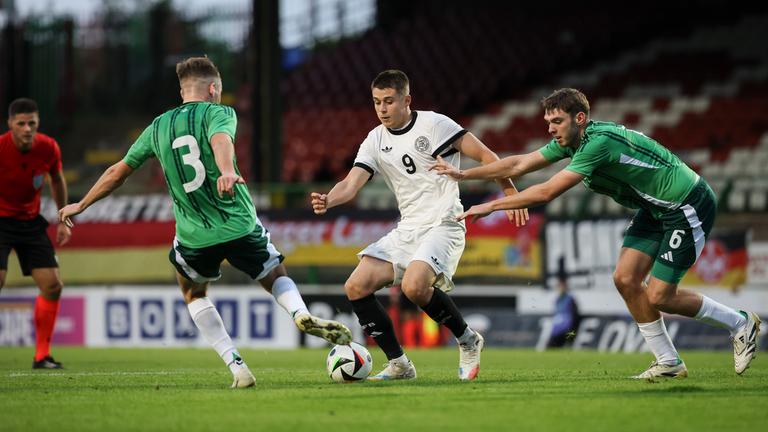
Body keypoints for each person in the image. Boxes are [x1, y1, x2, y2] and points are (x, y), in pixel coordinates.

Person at [58, 56, 352, 388]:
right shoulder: (220, 112)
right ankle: (299, 313)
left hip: (193, 235)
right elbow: (220, 140)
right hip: (238, 223)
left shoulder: (157, 126)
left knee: (193, 291)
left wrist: (81, 204)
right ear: (213, 89)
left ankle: (236, 365)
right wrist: (227, 171)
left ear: (183, 89)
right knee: (273, 274)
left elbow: (117, 172)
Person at [430, 88, 761, 380]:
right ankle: (668, 361)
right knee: (625, 279)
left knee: (660, 295)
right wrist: (463, 174)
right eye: (548, 122)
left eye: (556, 121)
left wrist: (491, 207)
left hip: (686, 204)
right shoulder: (574, 141)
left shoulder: (597, 143)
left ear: (580, 118)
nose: (550, 129)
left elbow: (546, 192)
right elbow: (517, 165)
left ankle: (740, 323)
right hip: (655, 209)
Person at [310, 70, 528, 381]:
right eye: (376, 103)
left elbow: (485, 155)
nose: (382, 109)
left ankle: (468, 339)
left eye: (388, 101)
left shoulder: (435, 124)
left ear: (407, 100)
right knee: (356, 286)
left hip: (444, 223)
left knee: (414, 286)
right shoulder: (375, 139)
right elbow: (352, 183)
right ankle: (399, 364)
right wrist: (329, 200)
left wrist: (509, 191)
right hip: (408, 228)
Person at [0, 98, 71, 369]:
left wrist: (64, 218)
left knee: (53, 285)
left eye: (32, 123)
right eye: (21, 124)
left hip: (30, 222)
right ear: (10, 125)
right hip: (1, 221)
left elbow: (57, 178)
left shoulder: (48, 147)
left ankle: (42, 355)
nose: (27, 128)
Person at [547, 257, 580, 348]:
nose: (560, 287)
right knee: (550, 348)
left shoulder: (570, 299)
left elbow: (575, 317)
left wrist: (572, 331)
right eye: (559, 286)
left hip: (567, 330)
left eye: (562, 285)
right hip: (557, 329)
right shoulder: (557, 300)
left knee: (565, 346)